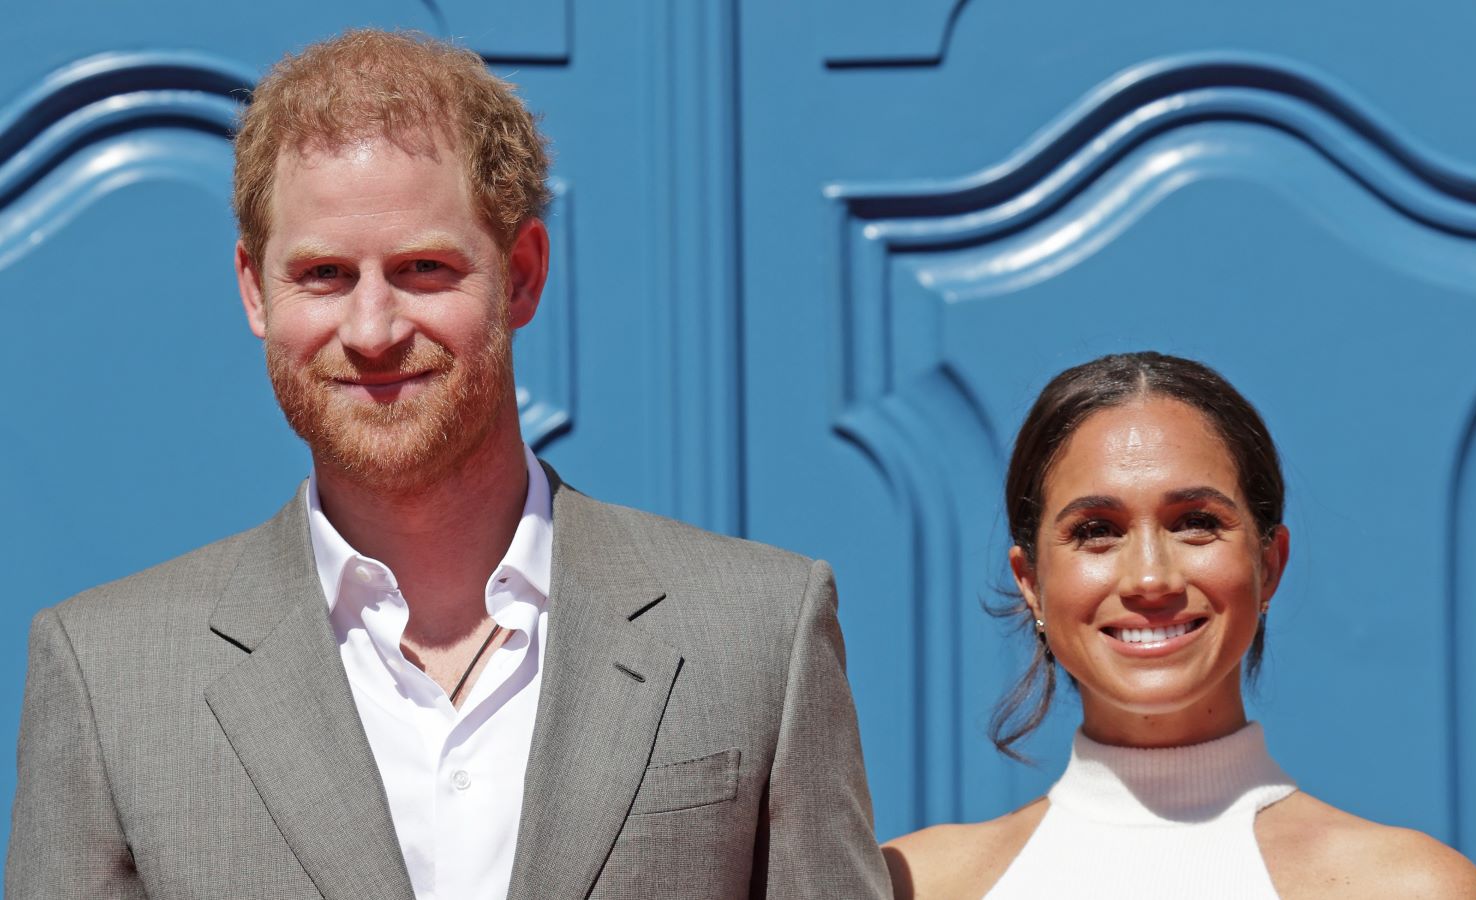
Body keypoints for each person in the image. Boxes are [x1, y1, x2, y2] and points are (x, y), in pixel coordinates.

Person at [6, 30, 888, 900]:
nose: (373, 330)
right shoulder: (107, 677)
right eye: (322, 274)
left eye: (424, 268)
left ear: (525, 274)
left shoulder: (758, 634)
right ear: (253, 290)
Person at [882, 352, 1476, 899]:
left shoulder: (1409, 888)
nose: (1151, 580)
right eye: (1096, 531)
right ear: (1032, 581)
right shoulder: (912, 883)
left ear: (1269, 565)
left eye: (1195, 522)